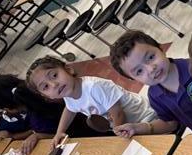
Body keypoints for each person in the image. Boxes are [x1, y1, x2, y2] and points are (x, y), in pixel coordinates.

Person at [110, 30, 192, 140]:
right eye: (139, 71)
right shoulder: (154, 95)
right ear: (133, 79)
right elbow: (170, 123)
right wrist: (138, 127)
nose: (151, 69)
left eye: (150, 57)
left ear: (160, 49)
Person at [26, 56, 157, 147]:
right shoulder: (68, 95)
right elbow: (69, 109)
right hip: (129, 127)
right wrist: (59, 132)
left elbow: (118, 114)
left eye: (54, 75)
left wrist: (117, 136)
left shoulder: (94, 87)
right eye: (46, 87)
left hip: (147, 117)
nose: (54, 84)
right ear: (46, 96)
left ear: (68, 70)